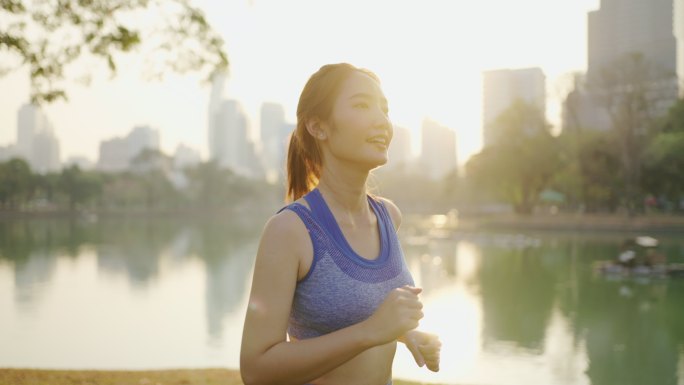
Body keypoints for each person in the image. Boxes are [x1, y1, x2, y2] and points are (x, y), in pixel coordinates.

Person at [240, 63, 441, 385]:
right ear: (318, 127)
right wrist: (371, 331)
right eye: (362, 105)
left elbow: (364, 317)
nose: (381, 120)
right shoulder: (291, 231)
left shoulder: (389, 217)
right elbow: (256, 369)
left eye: (384, 108)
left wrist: (406, 334)